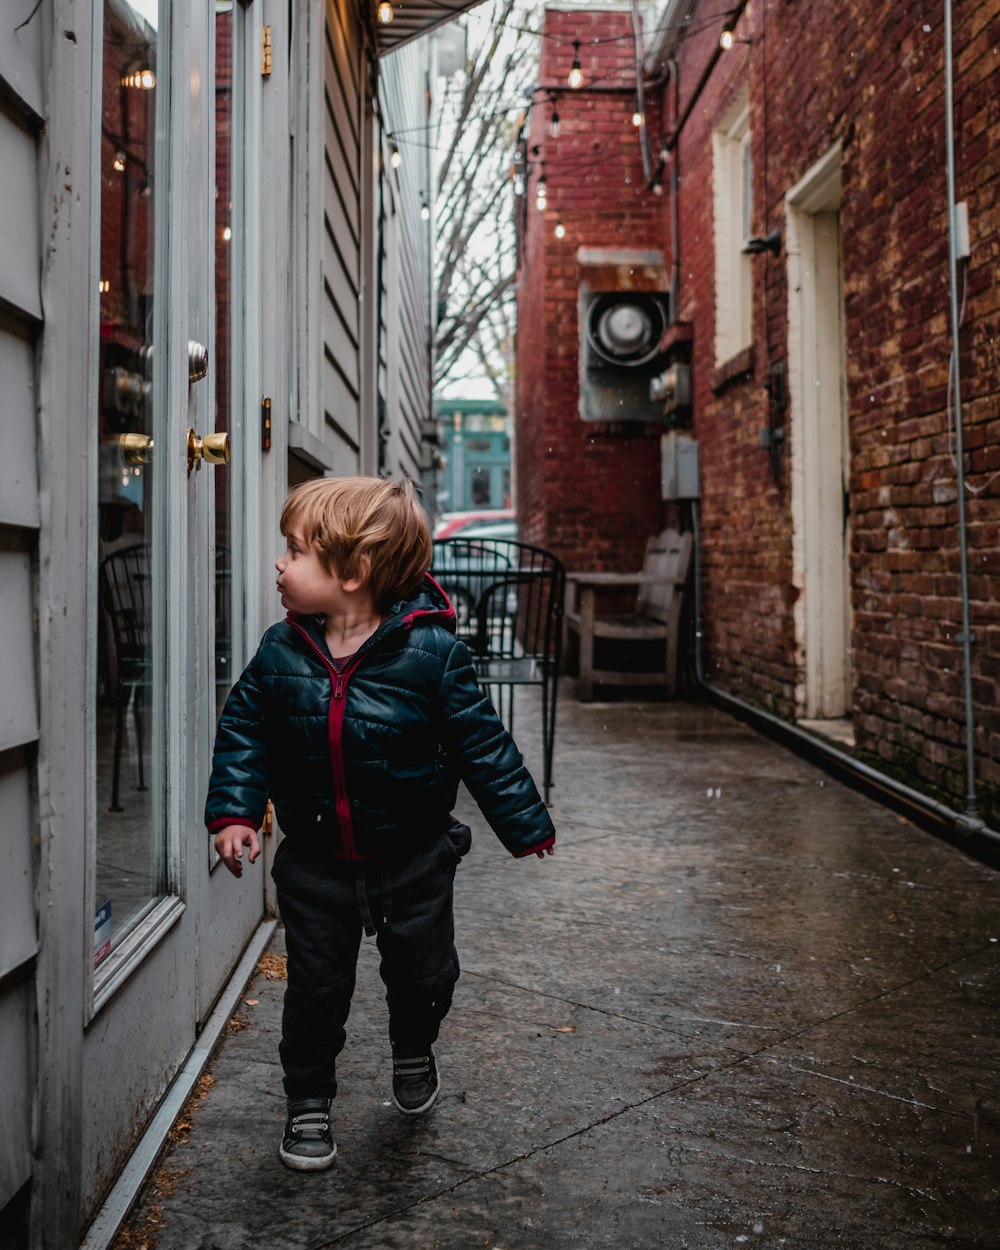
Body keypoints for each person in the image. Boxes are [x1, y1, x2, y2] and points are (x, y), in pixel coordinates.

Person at [205, 475, 555, 1172]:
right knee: (314, 991)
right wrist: (237, 811)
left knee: (425, 979)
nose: (280, 563)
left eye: (296, 550)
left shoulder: (433, 656)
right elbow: (245, 730)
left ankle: (413, 1041)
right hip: (316, 862)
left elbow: (481, 744)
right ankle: (308, 1100)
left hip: (414, 857)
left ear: (355, 572)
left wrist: (524, 822)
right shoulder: (281, 651)